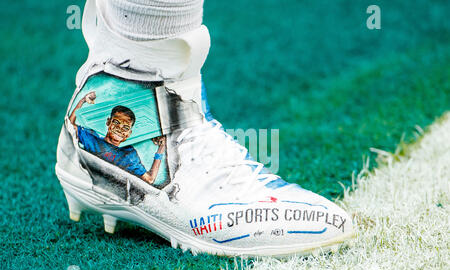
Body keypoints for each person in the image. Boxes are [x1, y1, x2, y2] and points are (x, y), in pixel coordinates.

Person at [55, 0, 354, 256]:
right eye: (117, 123)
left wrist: (159, 154)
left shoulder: (132, 152)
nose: (121, 129)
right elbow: (74, 126)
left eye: (126, 124)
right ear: (107, 122)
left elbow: (146, 174)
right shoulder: (93, 137)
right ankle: (136, 76)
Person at [69, 91, 166, 185]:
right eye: (116, 122)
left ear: (129, 133)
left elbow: (149, 179)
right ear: (108, 122)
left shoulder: (129, 155)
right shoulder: (92, 139)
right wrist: (82, 101)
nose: (119, 129)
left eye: (126, 128)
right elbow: (69, 126)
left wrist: (161, 148)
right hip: (88, 182)